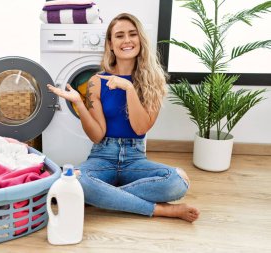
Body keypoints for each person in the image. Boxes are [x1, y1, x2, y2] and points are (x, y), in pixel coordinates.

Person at [47, 13, 200, 222]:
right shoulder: (96, 81)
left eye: (132, 34)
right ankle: (161, 210)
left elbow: (140, 129)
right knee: (77, 179)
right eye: (119, 36)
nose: (127, 40)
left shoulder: (154, 82)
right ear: (110, 44)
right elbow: (97, 136)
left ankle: (101, 195)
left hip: (134, 159)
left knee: (177, 182)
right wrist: (79, 103)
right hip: (102, 156)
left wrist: (128, 88)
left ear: (140, 40)